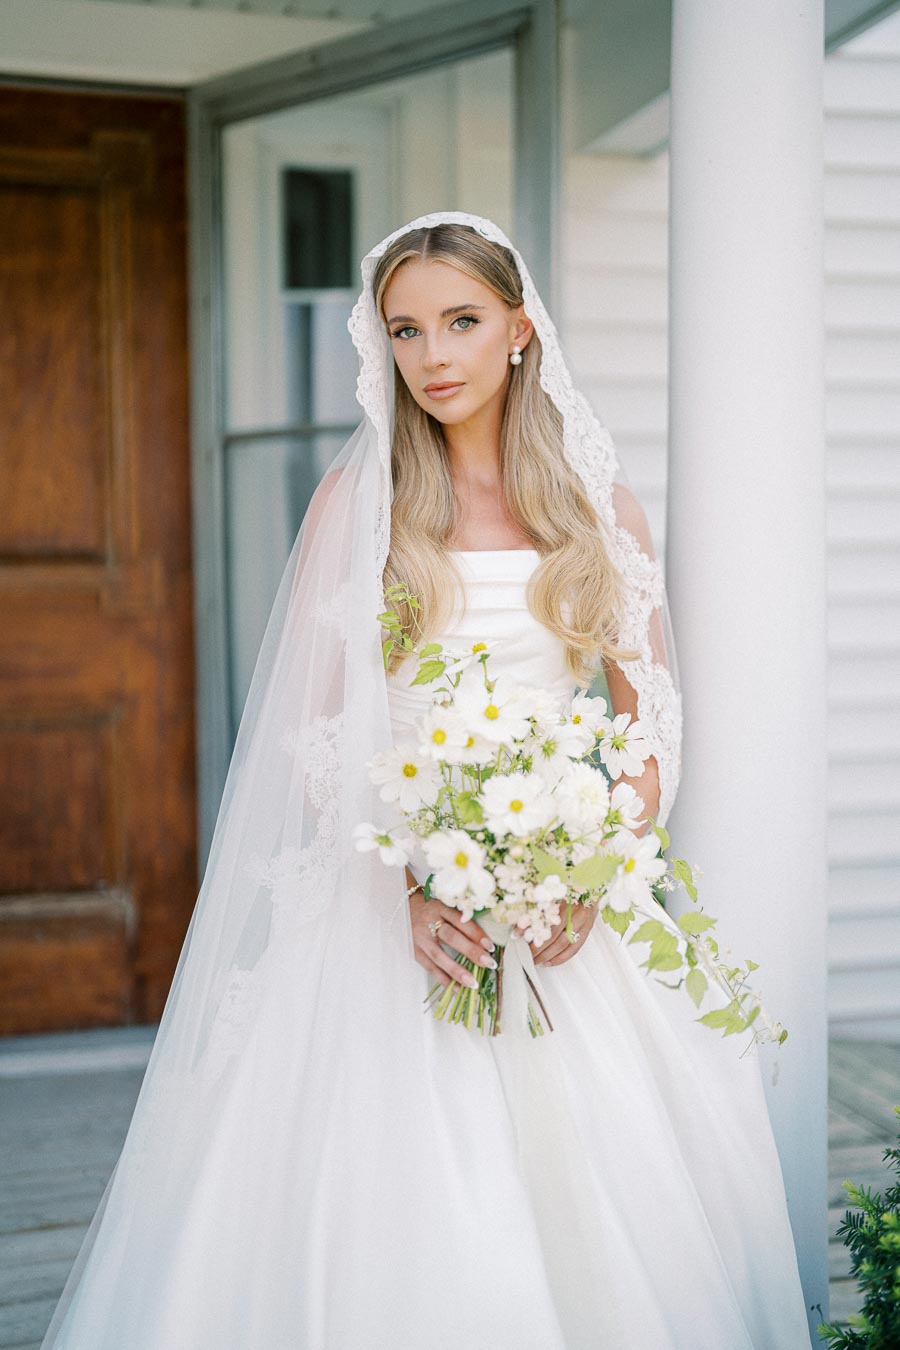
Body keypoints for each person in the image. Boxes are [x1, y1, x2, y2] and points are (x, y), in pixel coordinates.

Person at [39, 212, 813, 1349]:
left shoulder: (597, 513)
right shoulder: (360, 514)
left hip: (565, 900)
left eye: (460, 321)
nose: (434, 357)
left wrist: (582, 869)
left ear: (519, 329)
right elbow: (315, 737)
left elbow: (652, 726)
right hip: (396, 899)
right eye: (406, 330)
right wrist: (411, 880)